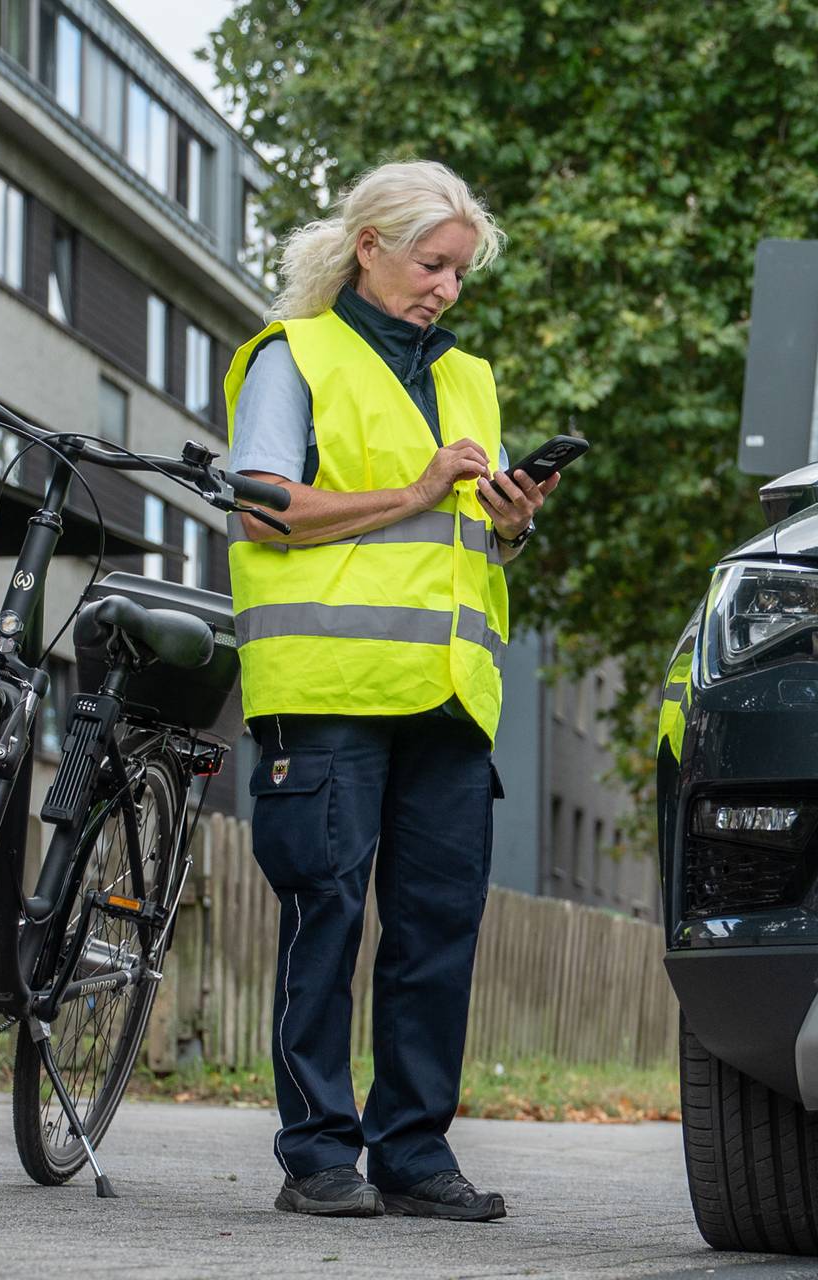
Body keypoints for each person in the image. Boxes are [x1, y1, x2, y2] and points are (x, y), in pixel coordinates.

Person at [224, 160, 556, 1221]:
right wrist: (414, 489)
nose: (446, 288)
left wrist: (510, 519)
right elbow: (259, 509)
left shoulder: (471, 379)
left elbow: (468, 548)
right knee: (326, 916)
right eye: (431, 263)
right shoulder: (297, 355)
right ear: (368, 246)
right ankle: (317, 1153)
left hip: (447, 700)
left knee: (435, 931)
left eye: (459, 272)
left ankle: (413, 1153)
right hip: (328, 690)